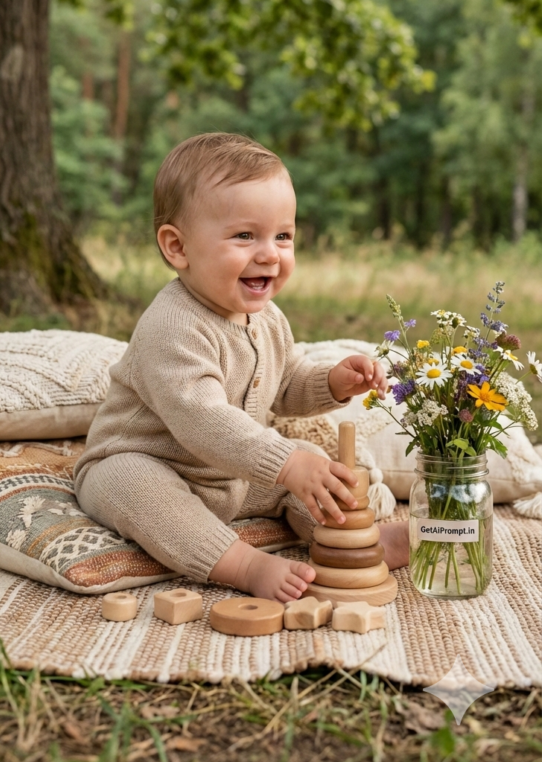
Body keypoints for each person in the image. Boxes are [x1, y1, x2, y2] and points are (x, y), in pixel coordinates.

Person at [74, 133, 408, 602]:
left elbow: (286, 382)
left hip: (228, 476)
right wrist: (286, 463)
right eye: (245, 236)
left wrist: (332, 382)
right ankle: (243, 564)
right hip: (148, 463)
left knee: (312, 470)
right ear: (177, 247)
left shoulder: (267, 318)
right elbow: (203, 420)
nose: (270, 253)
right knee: (136, 486)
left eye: (283, 236)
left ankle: (350, 544)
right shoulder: (172, 325)